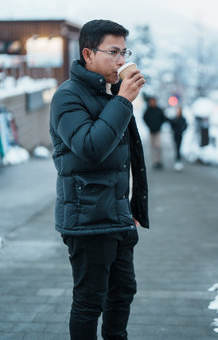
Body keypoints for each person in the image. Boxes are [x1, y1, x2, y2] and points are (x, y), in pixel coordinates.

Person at [49, 19, 149, 340]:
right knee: (89, 302)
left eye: (124, 52)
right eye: (114, 52)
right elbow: (92, 148)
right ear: (88, 54)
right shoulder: (68, 97)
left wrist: (132, 208)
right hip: (86, 218)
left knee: (123, 294)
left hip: (117, 216)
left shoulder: (109, 93)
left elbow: (128, 158)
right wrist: (123, 101)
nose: (122, 60)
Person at [143, 97, 166, 169]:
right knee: (152, 147)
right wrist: (149, 125)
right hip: (151, 131)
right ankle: (154, 161)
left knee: (158, 146)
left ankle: (159, 161)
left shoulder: (159, 110)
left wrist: (159, 125)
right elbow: (144, 118)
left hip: (158, 131)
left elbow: (163, 118)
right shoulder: (148, 110)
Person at [168, 106, 187, 171]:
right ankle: (177, 159)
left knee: (179, 147)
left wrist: (182, 130)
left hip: (180, 135)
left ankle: (178, 160)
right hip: (175, 135)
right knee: (176, 147)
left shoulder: (182, 119)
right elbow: (171, 124)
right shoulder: (175, 119)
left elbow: (185, 126)